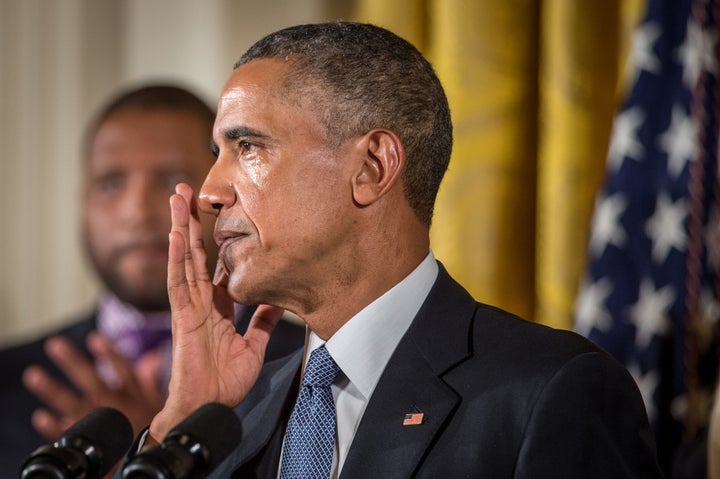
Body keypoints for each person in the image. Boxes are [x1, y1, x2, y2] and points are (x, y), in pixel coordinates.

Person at [128, 23, 663, 477]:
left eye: (248, 147)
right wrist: (182, 422)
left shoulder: (551, 391)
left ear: (372, 168)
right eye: (217, 152)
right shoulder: (227, 412)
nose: (210, 192)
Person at [0, 85, 305, 473]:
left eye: (170, 180)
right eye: (111, 182)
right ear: (83, 201)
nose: (137, 212)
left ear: (222, 191)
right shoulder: (8, 381)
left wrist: (157, 448)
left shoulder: (313, 368)